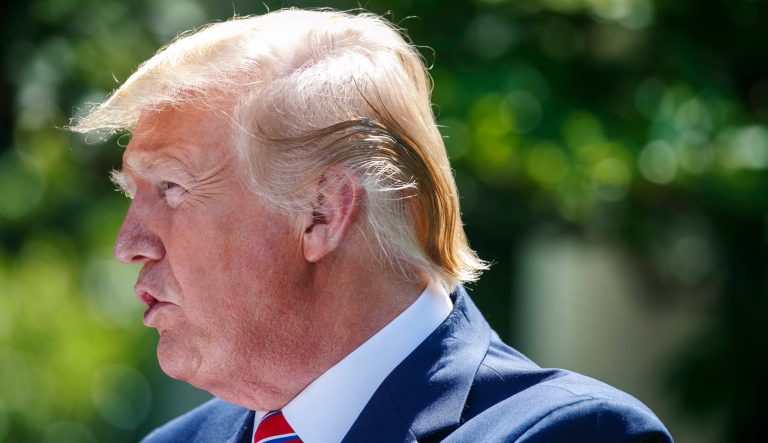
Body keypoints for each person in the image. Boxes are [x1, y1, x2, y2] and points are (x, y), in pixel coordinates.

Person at [71, 8, 673, 443]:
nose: (128, 244)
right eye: (131, 192)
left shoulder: (572, 433)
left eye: (171, 188)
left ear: (323, 213)